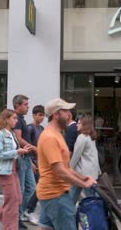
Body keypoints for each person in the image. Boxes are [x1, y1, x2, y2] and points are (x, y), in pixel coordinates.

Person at [36, 98, 96, 230]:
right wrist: (83, 184)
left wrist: (83, 178)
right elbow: (60, 171)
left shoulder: (57, 135)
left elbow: (66, 167)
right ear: (56, 114)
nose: (70, 114)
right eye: (66, 111)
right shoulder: (50, 137)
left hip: (52, 194)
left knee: (45, 228)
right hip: (56, 196)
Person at [0, 109, 32, 230]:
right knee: (13, 202)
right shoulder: (0, 135)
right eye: (14, 118)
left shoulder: (12, 134)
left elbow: (12, 152)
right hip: (4, 171)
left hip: (13, 169)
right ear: (6, 119)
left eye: (16, 118)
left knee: (17, 199)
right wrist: (17, 151)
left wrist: (22, 150)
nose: (16, 120)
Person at [12, 94, 37, 228]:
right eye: (26, 104)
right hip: (21, 158)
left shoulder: (21, 119)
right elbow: (18, 139)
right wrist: (34, 148)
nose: (28, 107)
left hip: (26, 158)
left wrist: (31, 160)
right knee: (20, 189)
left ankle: (21, 213)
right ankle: (18, 216)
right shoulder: (17, 119)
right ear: (18, 106)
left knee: (32, 188)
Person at [69, 115, 101, 204]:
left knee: (75, 196)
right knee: (92, 197)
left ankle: (68, 214)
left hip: (82, 173)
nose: (77, 125)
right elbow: (94, 155)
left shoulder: (81, 137)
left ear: (84, 125)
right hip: (90, 172)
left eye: (79, 123)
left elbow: (76, 155)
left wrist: (69, 168)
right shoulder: (91, 137)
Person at [25, 105, 45, 220]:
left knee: (39, 186)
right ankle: (29, 210)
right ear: (33, 115)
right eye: (39, 115)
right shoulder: (29, 128)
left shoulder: (42, 128)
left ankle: (30, 209)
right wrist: (30, 163)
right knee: (37, 187)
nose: (42, 117)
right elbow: (26, 146)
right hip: (32, 162)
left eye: (43, 115)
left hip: (40, 162)